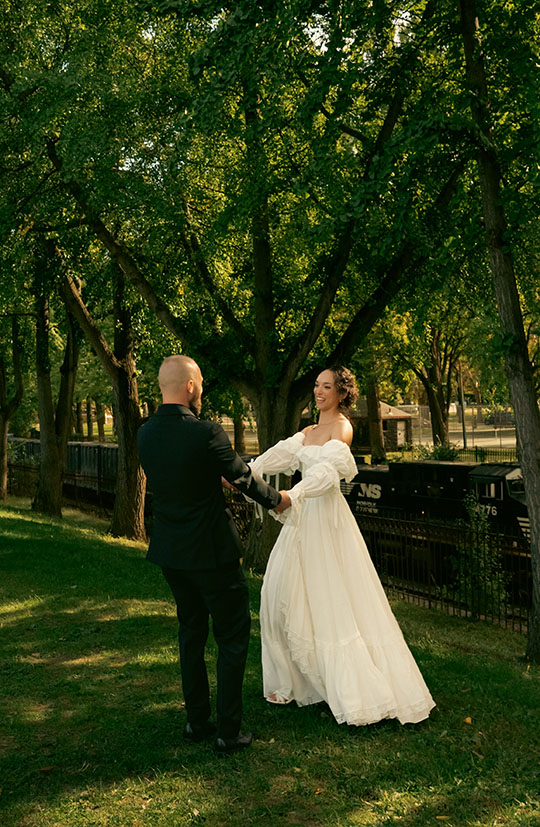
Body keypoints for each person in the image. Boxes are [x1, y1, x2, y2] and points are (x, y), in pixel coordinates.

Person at [250, 365, 435, 726]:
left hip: (325, 522)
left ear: (341, 393)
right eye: (316, 386)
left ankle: (350, 690)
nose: (319, 392)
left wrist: (292, 494)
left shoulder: (342, 429)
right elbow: (277, 457)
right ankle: (291, 680)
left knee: (329, 601)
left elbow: (323, 476)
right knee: (276, 594)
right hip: (301, 521)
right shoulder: (307, 432)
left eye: (327, 387)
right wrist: (246, 472)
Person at [137, 355, 291, 752]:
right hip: (212, 554)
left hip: (172, 553)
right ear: (189, 386)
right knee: (232, 637)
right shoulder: (207, 432)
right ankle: (228, 731)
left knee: (190, 634)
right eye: (200, 382)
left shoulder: (145, 433)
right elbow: (241, 477)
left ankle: (197, 722)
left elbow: (180, 479)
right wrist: (278, 501)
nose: (202, 388)